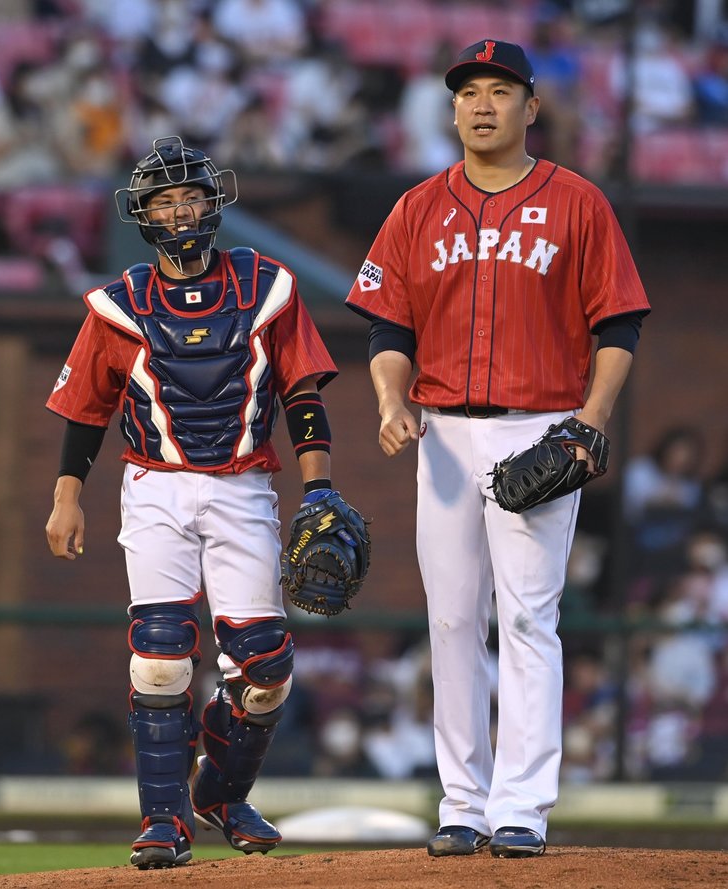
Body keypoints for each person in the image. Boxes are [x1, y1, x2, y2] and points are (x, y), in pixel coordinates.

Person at [346, 39, 650, 858]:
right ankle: (461, 802)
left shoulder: (577, 202)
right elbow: (387, 326)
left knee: (526, 616)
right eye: (469, 91)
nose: (482, 104)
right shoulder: (416, 207)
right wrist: (387, 398)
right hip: (441, 431)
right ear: (451, 109)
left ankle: (522, 805)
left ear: (530, 108)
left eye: (500, 90)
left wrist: (589, 417)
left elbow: (616, 323)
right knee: (449, 620)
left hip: (539, 426)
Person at [45, 135, 344, 869]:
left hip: (245, 482)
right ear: (143, 215)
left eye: (190, 197)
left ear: (214, 205)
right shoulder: (117, 303)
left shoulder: (268, 285)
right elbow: (86, 408)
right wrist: (66, 498)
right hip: (154, 485)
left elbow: (300, 390)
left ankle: (221, 789)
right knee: (159, 660)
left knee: (266, 667)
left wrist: (321, 488)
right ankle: (162, 821)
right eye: (164, 201)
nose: (179, 211)